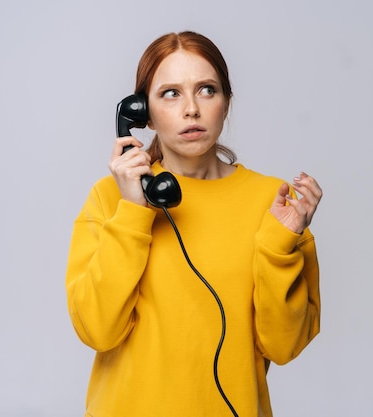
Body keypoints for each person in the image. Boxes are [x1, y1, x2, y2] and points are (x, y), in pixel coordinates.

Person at [65, 30, 322, 417]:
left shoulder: (276, 204)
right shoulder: (110, 197)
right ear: (143, 113)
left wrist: (281, 242)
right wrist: (134, 212)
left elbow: (283, 347)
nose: (191, 110)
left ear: (226, 101)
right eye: (170, 93)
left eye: (206, 90)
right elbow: (96, 330)